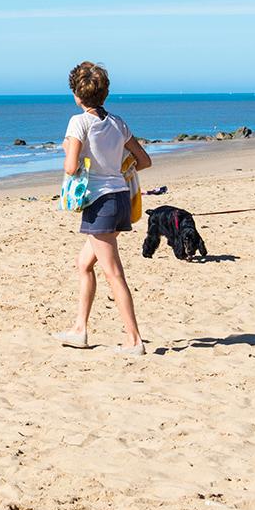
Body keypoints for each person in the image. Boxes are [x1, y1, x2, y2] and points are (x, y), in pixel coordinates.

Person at [54, 61, 152, 354]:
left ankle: (134, 340)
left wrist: (67, 149)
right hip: (120, 198)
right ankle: (79, 330)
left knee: (113, 273)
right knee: (84, 264)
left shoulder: (78, 122)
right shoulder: (118, 122)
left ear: (77, 94)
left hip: (100, 202)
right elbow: (144, 160)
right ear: (104, 93)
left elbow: (71, 168)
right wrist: (118, 166)